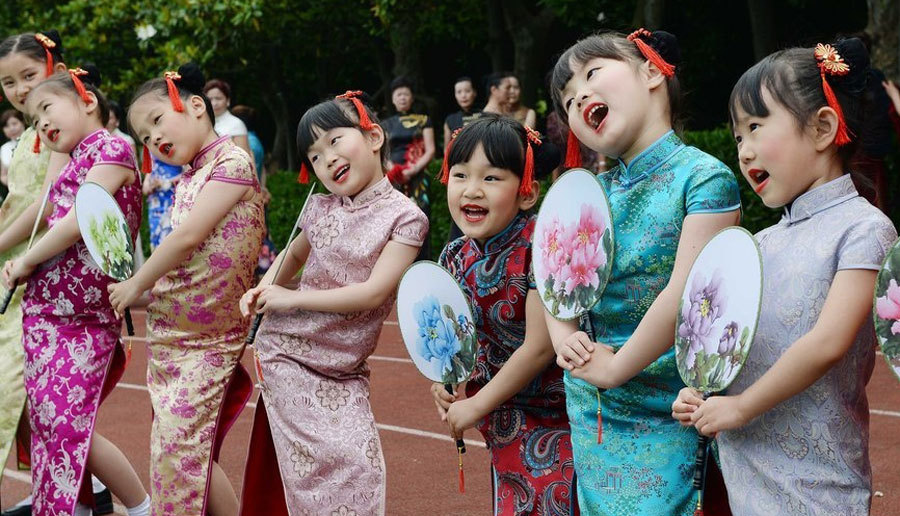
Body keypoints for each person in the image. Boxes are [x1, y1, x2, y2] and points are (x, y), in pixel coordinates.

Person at [673, 38, 897, 515]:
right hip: (746, 471)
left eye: (755, 127)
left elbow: (827, 342)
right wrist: (702, 391)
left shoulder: (864, 228)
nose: (744, 150)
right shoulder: (756, 245)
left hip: (819, 484)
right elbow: (723, 345)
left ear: (822, 128)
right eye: (738, 137)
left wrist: (741, 406)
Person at [548, 29, 741, 514]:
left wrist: (616, 368)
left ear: (652, 71)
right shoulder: (589, 190)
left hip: (672, 402)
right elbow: (552, 278)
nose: (579, 98)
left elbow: (687, 292)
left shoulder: (704, 177)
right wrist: (563, 337)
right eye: (568, 100)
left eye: (592, 74)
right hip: (595, 400)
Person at [238, 91, 427, 515]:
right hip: (289, 354)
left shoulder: (405, 218)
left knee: (359, 466)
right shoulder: (321, 207)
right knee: (331, 468)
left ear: (374, 137)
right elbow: (292, 255)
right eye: (315, 156)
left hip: (345, 365)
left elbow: (374, 292)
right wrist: (263, 289)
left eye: (335, 141)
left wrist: (291, 298)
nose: (327, 160)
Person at [108, 63, 265, 516]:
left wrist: (136, 282)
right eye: (144, 136)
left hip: (208, 340)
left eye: (157, 120)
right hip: (172, 337)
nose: (153, 138)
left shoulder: (232, 163)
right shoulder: (191, 176)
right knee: (181, 452)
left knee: (180, 451)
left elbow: (187, 238)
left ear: (196, 106)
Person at [1, 66, 149, 516]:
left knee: (67, 423)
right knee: (48, 422)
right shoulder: (70, 160)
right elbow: (48, 214)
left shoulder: (113, 148)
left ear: (87, 101)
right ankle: (75, 507)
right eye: (34, 120)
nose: (42, 123)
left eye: (47, 108)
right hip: (45, 310)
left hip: (85, 315)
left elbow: (78, 221)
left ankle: (141, 508)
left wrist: (25, 260)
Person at [432, 115, 576, 515]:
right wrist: (444, 382)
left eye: (491, 178)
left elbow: (540, 347)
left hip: (557, 413)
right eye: (460, 175)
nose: (472, 189)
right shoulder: (453, 256)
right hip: (501, 414)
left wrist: (477, 405)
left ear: (527, 193)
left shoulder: (541, 246)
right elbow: (450, 337)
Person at [382, 77, 435, 260]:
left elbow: (431, 150)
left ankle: (424, 262)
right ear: (393, 99)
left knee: (422, 217)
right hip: (393, 176)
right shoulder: (386, 124)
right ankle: (395, 263)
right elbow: (383, 151)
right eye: (399, 94)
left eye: (406, 94)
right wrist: (393, 169)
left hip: (418, 176)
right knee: (393, 219)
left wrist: (413, 170)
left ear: (412, 97)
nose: (402, 98)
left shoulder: (424, 120)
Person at [231, 104, 277, 274]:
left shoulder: (246, 142)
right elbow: (262, 169)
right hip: (258, 193)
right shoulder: (256, 141)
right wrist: (263, 188)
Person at [203, 77, 252, 155]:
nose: (214, 103)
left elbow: (244, 158)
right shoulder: (201, 123)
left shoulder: (237, 124)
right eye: (210, 99)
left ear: (228, 101)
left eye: (218, 98)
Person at [443, 76, 481, 145]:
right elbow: (447, 148)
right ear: (455, 95)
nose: (463, 95)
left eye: (467, 91)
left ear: (474, 93)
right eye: (459, 92)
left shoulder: (485, 116)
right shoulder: (450, 120)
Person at [0, 110, 25, 186]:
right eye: (6, 126)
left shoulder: (35, 139)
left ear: (22, 122)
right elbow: (3, 175)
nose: (11, 128)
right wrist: (13, 184)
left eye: (14, 124)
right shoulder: (4, 148)